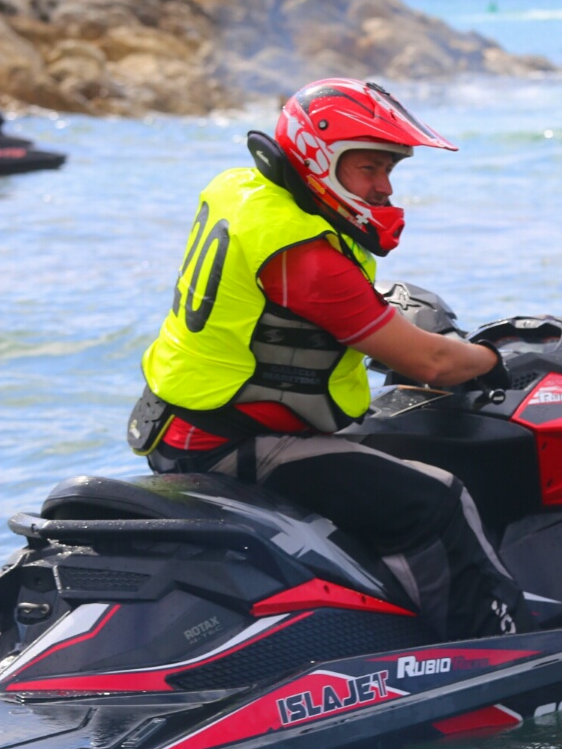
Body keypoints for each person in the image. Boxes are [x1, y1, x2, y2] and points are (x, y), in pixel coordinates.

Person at [127, 78, 530, 641]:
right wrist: (492, 360)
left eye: (390, 169)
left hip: (180, 424)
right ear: (319, 159)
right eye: (369, 169)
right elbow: (433, 365)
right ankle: (490, 649)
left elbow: (268, 314)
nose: (384, 187)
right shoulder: (308, 258)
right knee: (436, 499)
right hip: (233, 443)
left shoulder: (242, 191)